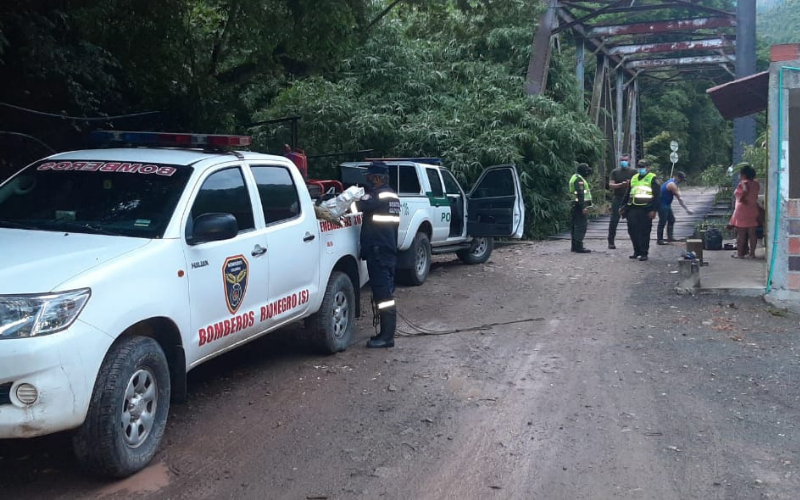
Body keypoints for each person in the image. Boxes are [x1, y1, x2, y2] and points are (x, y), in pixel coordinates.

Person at [356, 161, 401, 348]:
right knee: (384, 293)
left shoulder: (378, 196)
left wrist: (348, 198)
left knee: (384, 297)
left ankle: (387, 337)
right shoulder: (392, 196)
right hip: (386, 251)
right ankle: (385, 334)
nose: (368, 180)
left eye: (369, 177)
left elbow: (357, 207)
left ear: (376, 178)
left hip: (379, 253)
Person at [621, 159, 660, 261]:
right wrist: (622, 206)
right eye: (639, 167)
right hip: (632, 208)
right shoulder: (634, 178)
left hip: (646, 209)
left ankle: (644, 253)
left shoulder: (652, 178)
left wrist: (654, 210)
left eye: (643, 167)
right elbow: (628, 194)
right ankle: (636, 251)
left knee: (644, 232)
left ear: (648, 168)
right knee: (632, 231)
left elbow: (657, 196)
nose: (641, 169)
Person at [729, 163, 761, 259]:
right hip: (753, 209)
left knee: (741, 234)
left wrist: (742, 198)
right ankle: (752, 253)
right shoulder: (756, 184)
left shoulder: (743, 182)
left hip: (742, 210)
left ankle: (740, 254)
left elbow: (746, 190)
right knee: (752, 234)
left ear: (743, 174)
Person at [656, 171, 694, 245]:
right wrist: (687, 209)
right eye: (680, 179)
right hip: (662, 204)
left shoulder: (674, 182)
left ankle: (670, 238)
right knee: (662, 222)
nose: (681, 181)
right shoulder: (672, 184)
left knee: (671, 219)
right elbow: (679, 198)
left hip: (667, 204)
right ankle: (659, 239)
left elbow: (678, 192)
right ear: (676, 177)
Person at [607, 154, 635, 249]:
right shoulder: (615, 172)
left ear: (629, 161)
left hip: (630, 199)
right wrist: (620, 185)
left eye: (625, 160)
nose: (624, 162)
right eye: (622, 160)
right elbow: (611, 185)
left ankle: (635, 242)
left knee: (632, 221)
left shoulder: (634, 172)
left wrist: (629, 184)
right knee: (614, 220)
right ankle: (611, 241)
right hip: (618, 198)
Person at [569, 163, 593, 253]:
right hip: (579, 206)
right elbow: (580, 194)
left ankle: (574, 246)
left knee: (575, 226)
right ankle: (579, 246)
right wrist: (584, 207)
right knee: (581, 226)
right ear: (584, 171)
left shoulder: (575, 177)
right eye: (587, 170)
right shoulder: (579, 180)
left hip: (575, 204)